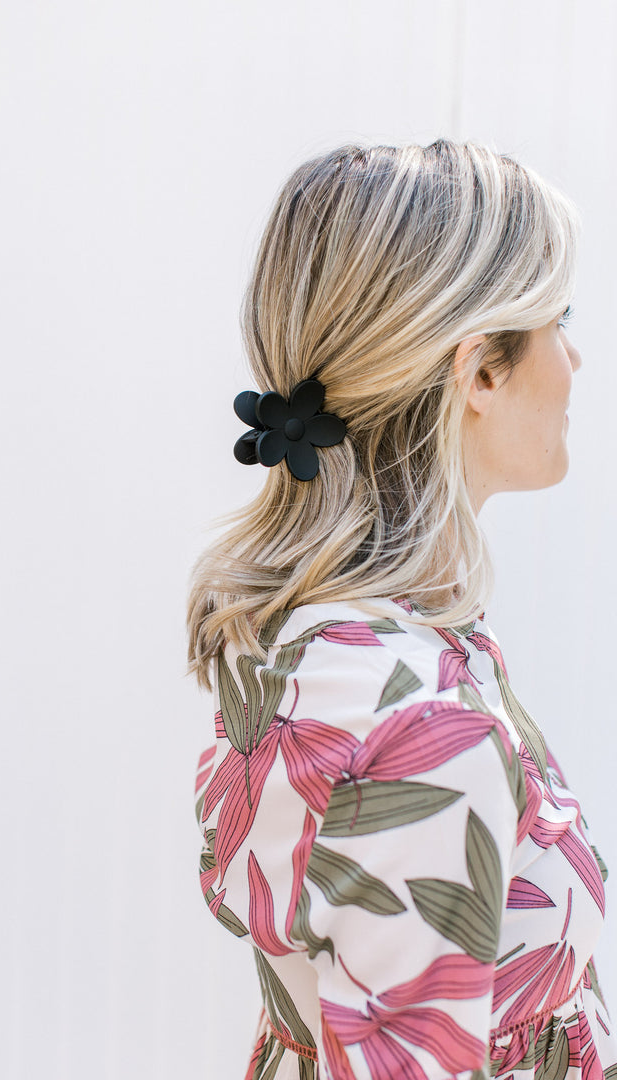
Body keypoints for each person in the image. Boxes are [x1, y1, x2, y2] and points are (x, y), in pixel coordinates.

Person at [187, 139, 615, 1080]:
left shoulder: (342, 640)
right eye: (559, 319)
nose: (576, 357)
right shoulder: (412, 714)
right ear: (481, 372)